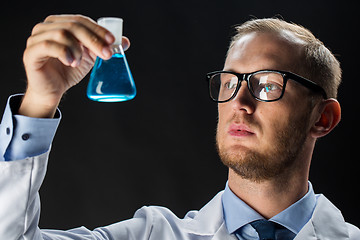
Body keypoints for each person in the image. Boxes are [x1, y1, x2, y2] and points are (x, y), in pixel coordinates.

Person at [0, 14, 358, 240]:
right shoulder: (154, 234)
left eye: (267, 85)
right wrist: (39, 102)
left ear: (322, 119)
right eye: (229, 82)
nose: (239, 104)